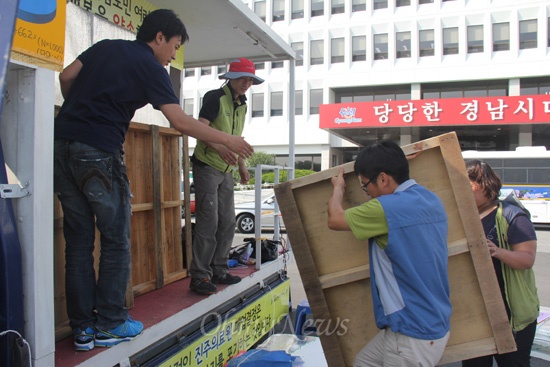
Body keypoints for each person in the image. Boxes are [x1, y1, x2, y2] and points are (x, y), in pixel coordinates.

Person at [54, 9, 254, 352]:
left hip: (61, 145)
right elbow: (179, 121)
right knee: (116, 238)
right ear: (159, 37)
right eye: (174, 46)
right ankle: (112, 322)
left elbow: (66, 77)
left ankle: (84, 328)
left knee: (78, 242)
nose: (173, 55)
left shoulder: (104, 47)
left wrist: (82, 108)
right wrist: (226, 139)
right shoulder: (150, 66)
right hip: (99, 150)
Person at [327, 141, 452, 367]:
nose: (367, 194)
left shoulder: (386, 208)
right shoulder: (431, 200)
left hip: (411, 334)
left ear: (384, 179)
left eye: (366, 187)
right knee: (363, 362)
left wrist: (338, 188)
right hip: (430, 322)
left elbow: (335, 219)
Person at [189, 58, 263, 295]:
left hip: (227, 169)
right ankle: (200, 276)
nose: (246, 83)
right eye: (242, 78)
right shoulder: (214, 97)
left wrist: (242, 165)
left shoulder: (242, 104)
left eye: (250, 79)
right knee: (208, 222)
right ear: (230, 77)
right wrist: (219, 147)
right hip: (207, 166)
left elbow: (236, 138)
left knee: (228, 221)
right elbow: (200, 128)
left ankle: (219, 269)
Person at [462, 160, 539, 367]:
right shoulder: (464, 218)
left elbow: (527, 259)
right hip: (475, 316)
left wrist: (496, 251)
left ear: (479, 185)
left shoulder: (512, 215)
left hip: (511, 315)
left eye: (465, 186)